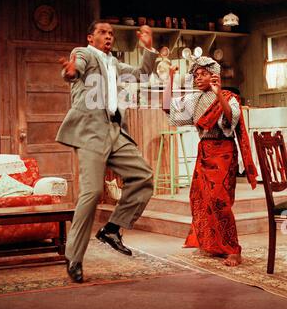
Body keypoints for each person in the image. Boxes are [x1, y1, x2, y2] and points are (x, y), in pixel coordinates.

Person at [56, 20, 158, 282]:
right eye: (102, 32)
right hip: (91, 132)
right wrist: (69, 71)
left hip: (115, 131)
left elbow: (142, 76)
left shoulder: (114, 64)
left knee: (144, 177)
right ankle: (74, 257)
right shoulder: (84, 53)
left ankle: (112, 229)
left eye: (111, 33)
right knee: (92, 193)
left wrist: (148, 50)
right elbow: (74, 69)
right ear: (91, 37)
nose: (108, 36)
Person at [163, 56, 257, 267]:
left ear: (214, 75)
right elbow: (169, 110)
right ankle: (214, 245)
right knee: (201, 198)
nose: (198, 78)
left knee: (219, 200)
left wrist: (218, 94)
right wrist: (169, 79)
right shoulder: (194, 99)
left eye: (203, 74)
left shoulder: (228, 96)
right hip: (204, 151)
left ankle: (233, 249)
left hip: (223, 152)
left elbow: (229, 119)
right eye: (195, 75)